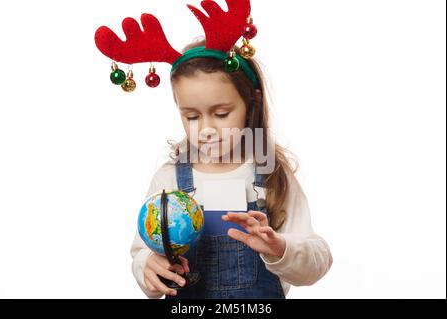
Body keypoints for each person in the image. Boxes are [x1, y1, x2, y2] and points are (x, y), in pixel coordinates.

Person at [130, 38, 333, 299]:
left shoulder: (271, 176)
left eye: (222, 113)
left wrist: (280, 249)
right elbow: (142, 255)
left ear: (252, 103)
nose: (206, 130)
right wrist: (147, 264)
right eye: (191, 116)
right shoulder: (169, 180)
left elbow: (318, 261)